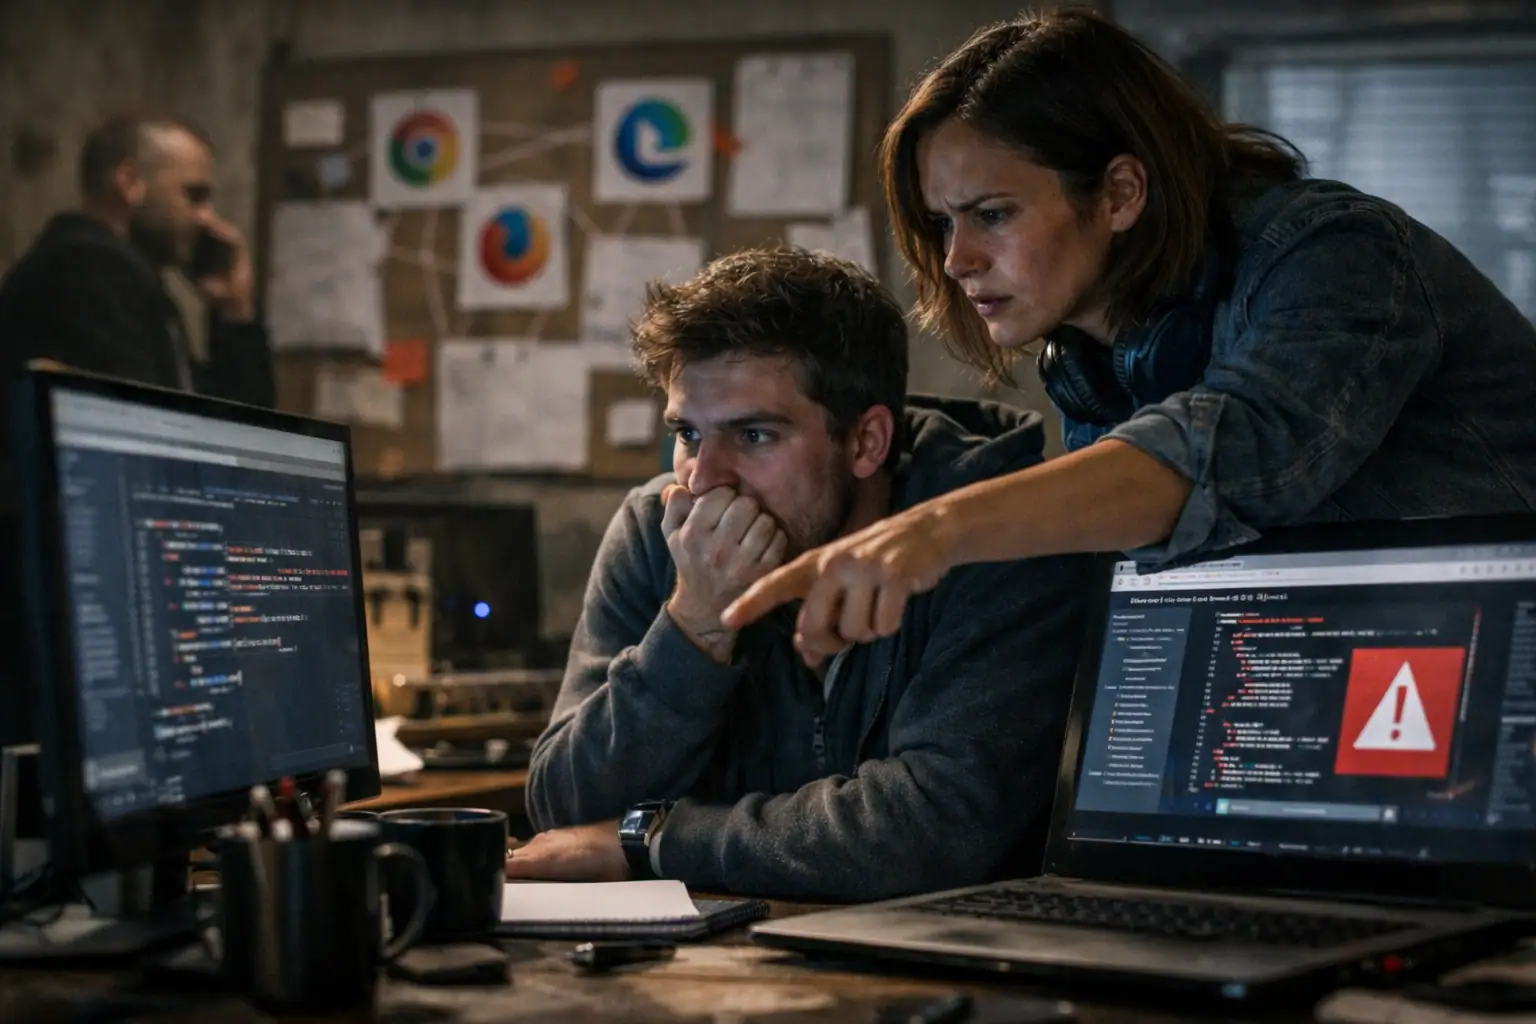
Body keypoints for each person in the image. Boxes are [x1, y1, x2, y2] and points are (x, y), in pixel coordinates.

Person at [722, 7, 1536, 667]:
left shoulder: (1338, 253)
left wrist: (932, 532)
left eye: (992, 215)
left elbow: (1226, 454)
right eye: (942, 223)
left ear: (1118, 192)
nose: (956, 260)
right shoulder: (1093, 353)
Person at [506, 248, 1089, 901]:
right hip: (714, 967)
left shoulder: (1001, 531)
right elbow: (564, 812)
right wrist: (694, 626)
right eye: (689, 435)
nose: (703, 480)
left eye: (754, 435)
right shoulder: (658, 531)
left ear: (866, 442)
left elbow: (933, 831)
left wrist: (656, 841)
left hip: (952, 968)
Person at [0, 112, 273, 406]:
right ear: (129, 182)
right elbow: (145, 427)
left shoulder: (122, 279)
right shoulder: (89, 270)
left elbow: (231, 426)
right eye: (194, 195)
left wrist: (235, 313)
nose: (207, 218)